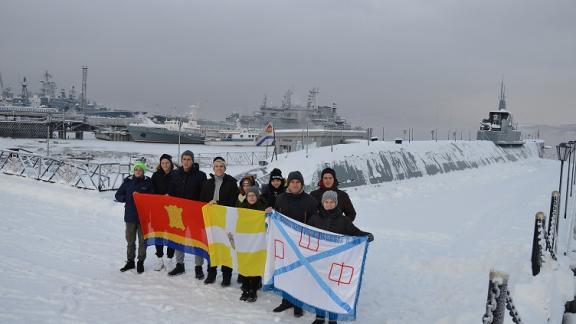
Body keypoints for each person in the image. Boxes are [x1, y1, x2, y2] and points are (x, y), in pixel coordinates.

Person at [308, 191, 374, 324]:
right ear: (322, 202)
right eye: (326, 202)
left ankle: (333, 318)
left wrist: (366, 235)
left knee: (334, 290)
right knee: (319, 288)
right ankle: (319, 316)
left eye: (332, 202)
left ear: (336, 203)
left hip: (336, 261)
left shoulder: (343, 220)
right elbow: (304, 233)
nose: (329, 204)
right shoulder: (315, 218)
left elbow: (355, 232)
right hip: (319, 260)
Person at [268, 170, 318, 318]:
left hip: (302, 244)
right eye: (292, 182)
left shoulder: (310, 201)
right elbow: (276, 217)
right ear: (288, 183)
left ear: (301, 184)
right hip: (284, 243)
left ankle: (297, 303)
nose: (295, 184)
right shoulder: (281, 199)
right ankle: (286, 300)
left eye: (297, 182)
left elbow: (315, 222)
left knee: (299, 273)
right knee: (285, 271)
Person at [167, 150, 207, 278]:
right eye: (184, 159)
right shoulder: (174, 174)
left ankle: (198, 266)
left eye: (189, 159)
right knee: (178, 238)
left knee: (197, 240)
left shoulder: (200, 175)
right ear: (181, 160)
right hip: (178, 212)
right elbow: (171, 191)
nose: (186, 161)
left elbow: (203, 194)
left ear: (192, 160)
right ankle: (180, 265)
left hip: (194, 212)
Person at [199, 156, 239, 286]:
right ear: (213, 168)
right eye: (216, 166)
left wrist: (218, 203)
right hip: (212, 221)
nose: (219, 168)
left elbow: (234, 202)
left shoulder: (232, 183)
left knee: (227, 247)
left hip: (227, 220)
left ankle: (226, 276)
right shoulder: (207, 183)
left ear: (225, 168)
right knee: (212, 246)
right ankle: (211, 273)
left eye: (221, 166)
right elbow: (202, 201)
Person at [115, 161, 154, 274]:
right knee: (130, 241)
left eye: (140, 169)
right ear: (133, 170)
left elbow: (153, 197)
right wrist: (126, 198)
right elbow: (118, 195)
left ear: (143, 171)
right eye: (136, 169)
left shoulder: (148, 182)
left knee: (143, 241)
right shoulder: (128, 182)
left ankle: (140, 262)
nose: (138, 171)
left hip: (143, 217)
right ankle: (130, 261)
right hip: (130, 217)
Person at [236, 186, 267, 303]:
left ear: (257, 196)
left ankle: (253, 289)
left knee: (255, 264)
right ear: (246, 197)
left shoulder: (262, 207)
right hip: (244, 241)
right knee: (244, 264)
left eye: (254, 195)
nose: (252, 197)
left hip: (258, 242)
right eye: (249, 195)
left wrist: (268, 212)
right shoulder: (241, 208)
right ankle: (245, 288)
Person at [151, 153, 175, 271]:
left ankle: (170, 258)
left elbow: (178, 190)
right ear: (160, 164)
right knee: (159, 234)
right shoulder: (155, 175)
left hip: (172, 210)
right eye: (163, 163)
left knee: (171, 235)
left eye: (167, 162)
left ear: (171, 163)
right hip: (159, 209)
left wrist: (170, 195)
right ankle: (159, 258)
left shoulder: (176, 175)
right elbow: (151, 190)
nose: (165, 165)